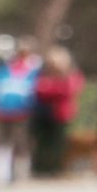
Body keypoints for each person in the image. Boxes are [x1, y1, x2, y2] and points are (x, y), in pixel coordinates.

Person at [0, 41, 40, 186]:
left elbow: (37, 92)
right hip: (0, 113)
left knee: (21, 144)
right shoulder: (1, 71)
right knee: (0, 143)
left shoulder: (34, 71)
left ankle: (21, 175)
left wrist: (31, 106)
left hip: (22, 114)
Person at [30, 46, 85, 178]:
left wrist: (53, 88)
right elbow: (39, 90)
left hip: (61, 112)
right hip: (42, 112)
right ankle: (39, 169)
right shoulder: (43, 73)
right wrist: (55, 89)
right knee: (41, 141)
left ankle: (54, 169)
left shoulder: (71, 74)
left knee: (57, 142)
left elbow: (70, 90)